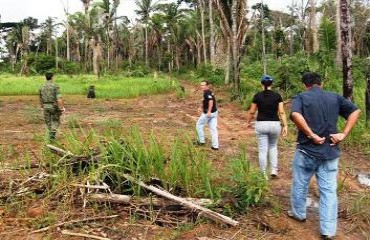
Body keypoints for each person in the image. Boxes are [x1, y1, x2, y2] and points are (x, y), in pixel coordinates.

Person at [289, 72, 361, 240]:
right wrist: (343, 134)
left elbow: (295, 115)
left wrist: (311, 134)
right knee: (329, 191)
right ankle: (328, 230)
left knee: (300, 183)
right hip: (330, 151)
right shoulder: (334, 97)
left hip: (307, 150)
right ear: (321, 83)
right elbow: (355, 110)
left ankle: (299, 214)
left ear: (305, 85)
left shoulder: (301, 97)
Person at [246, 74, 288, 179]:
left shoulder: (257, 96)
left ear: (261, 84)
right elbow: (282, 112)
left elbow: (252, 111)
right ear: (272, 84)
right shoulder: (277, 96)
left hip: (261, 124)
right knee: (273, 146)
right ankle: (274, 170)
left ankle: (264, 174)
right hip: (275, 124)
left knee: (262, 149)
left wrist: (248, 122)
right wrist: (285, 126)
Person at [39, 72, 65, 141]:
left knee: (48, 122)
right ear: (52, 77)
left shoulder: (42, 86)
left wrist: (42, 106)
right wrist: (61, 107)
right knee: (56, 121)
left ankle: (51, 133)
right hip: (54, 106)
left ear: (45, 77)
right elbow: (59, 98)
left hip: (45, 106)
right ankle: (52, 134)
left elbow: (40, 97)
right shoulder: (55, 86)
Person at [196, 80, 219, 150]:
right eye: (201, 85)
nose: (202, 86)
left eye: (203, 85)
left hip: (208, 113)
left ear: (207, 86)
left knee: (199, 125)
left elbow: (211, 101)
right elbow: (204, 101)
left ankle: (201, 141)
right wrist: (200, 107)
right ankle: (215, 146)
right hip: (214, 113)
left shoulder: (207, 93)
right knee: (213, 129)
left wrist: (209, 111)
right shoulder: (208, 92)